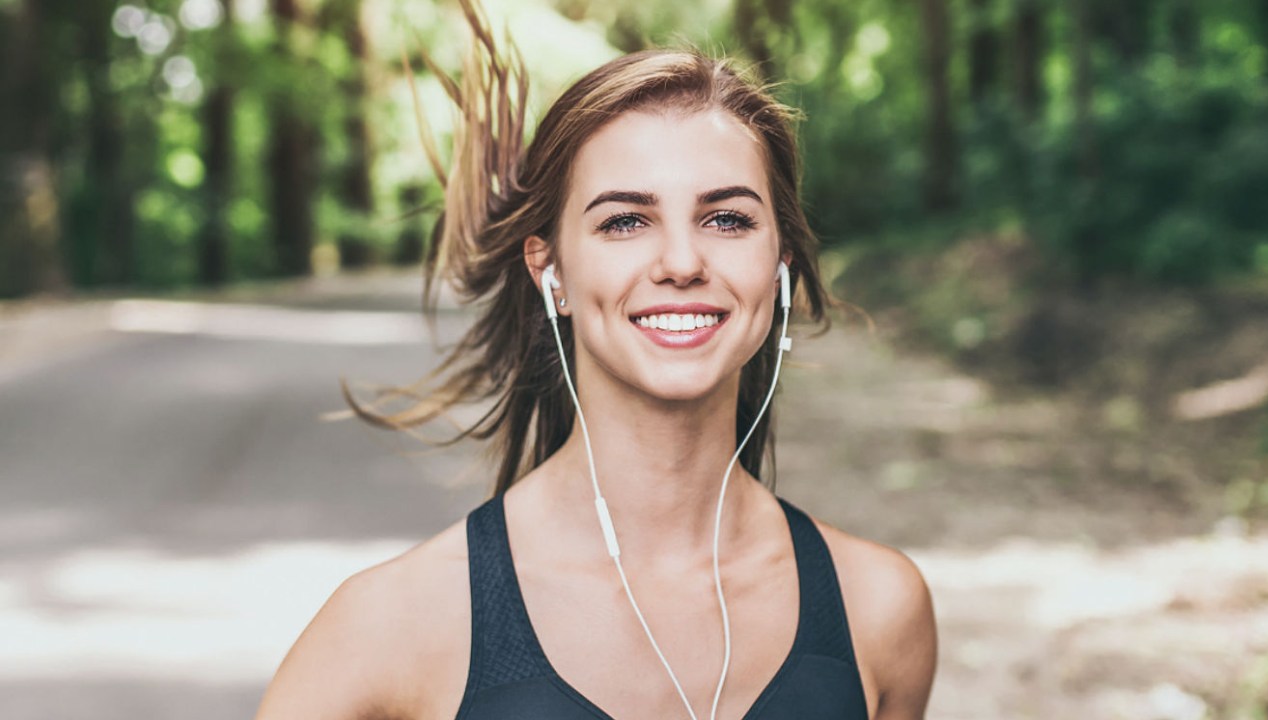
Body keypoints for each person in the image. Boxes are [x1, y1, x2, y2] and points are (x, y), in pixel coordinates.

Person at [254, 2, 937, 718]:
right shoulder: (393, 624)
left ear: (780, 265)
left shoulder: (879, 609)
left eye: (727, 218)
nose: (681, 261)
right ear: (552, 274)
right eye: (625, 221)